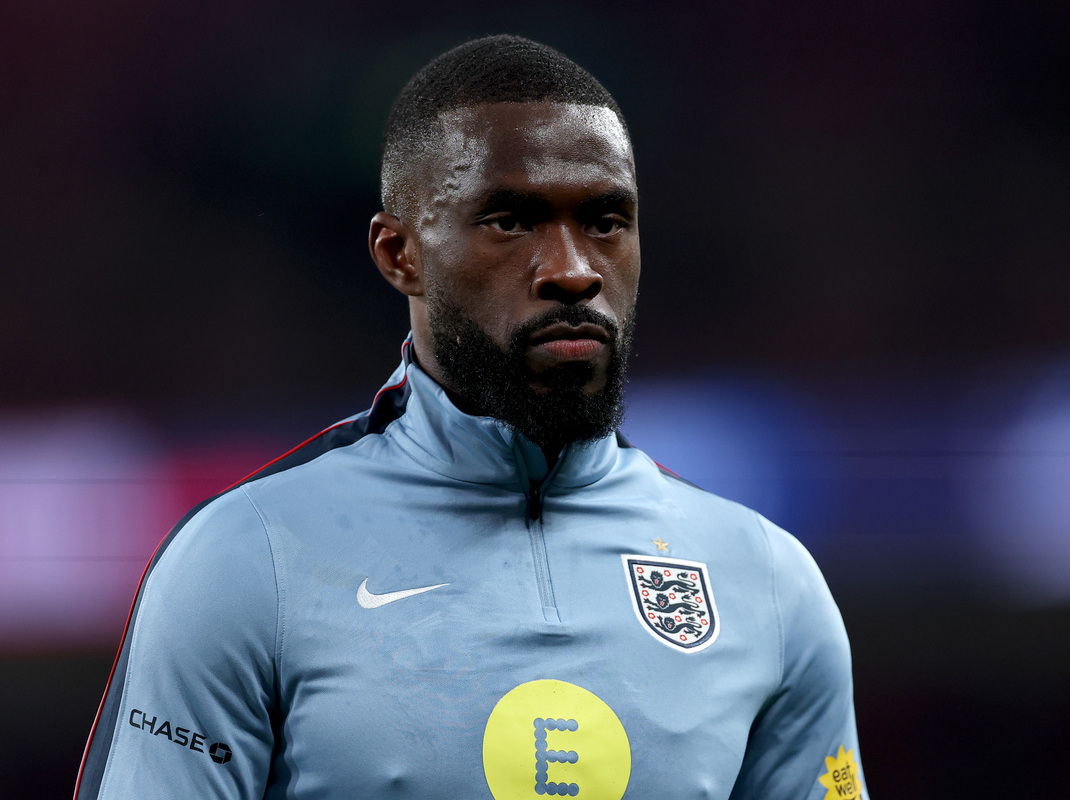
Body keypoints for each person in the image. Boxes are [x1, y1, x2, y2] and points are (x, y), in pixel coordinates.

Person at [75, 35, 868, 800]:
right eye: (509, 221)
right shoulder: (250, 559)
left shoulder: (766, 582)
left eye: (605, 220)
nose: (571, 270)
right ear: (399, 255)